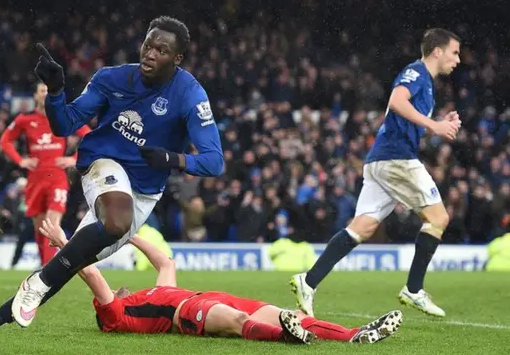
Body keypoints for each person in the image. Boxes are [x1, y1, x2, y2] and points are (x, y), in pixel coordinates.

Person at [0, 16, 224, 355]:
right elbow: (65, 125)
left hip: (144, 192)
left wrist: (173, 160)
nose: (150, 53)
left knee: (71, 259)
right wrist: (57, 91)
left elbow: (214, 160)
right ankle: (37, 284)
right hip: (101, 164)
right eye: (148, 44)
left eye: (162, 50)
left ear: (177, 59)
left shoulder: (190, 94)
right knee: (115, 221)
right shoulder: (112, 78)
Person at [291, 28, 462, 318]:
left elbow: (404, 114)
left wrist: (437, 121)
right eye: (455, 52)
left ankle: (307, 281)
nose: (458, 59)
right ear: (438, 51)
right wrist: (434, 126)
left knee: (362, 228)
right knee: (438, 218)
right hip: (397, 160)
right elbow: (396, 101)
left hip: (381, 160)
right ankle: (414, 289)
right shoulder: (417, 72)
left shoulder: (426, 82)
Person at [43, 218, 401, 346]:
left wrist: (129, 234)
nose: (116, 288)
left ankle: (353, 334)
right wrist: (65, 242)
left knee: (281, 312)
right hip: (188, 311)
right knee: (238, 323)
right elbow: (90, 271)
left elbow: (165, 260)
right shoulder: (115, 315)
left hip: (207, 295)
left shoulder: (152, 291)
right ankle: (287, 337)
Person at [0, 82, 91, 265]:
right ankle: (44, 268)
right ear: (35, 96)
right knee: (40, 230)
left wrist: (74, 158)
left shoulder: (63, 116)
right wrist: (20, 160)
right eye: (42, 91)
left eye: (49, 90)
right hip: (35, 179)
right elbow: (5, 141)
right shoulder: (25, 119)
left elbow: (88, 135)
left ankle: (47, 275)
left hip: (57, 178)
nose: (46, 94)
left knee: (51, 225)